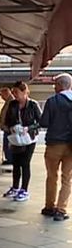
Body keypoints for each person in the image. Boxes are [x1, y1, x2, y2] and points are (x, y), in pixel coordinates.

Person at [39, 73, 72, 221]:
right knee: (67, 178)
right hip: (71, 147)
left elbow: (44, 122)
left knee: (52, 176)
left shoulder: (52, 101)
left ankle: (49, 206)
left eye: (55, 84)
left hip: (54, 145)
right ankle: (61, 210)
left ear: (59, 85)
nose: (54, 87)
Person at [2, 81, 42, 202]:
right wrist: (10, 128)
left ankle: (24, 190)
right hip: (15, 137)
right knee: (15, 163)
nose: (14, 95)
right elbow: (8, 120)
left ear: (25, 92)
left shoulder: (33, 105)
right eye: (13, 92)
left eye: (17, 92)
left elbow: (41, 122)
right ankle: (15, 187)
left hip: (29, 138)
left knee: (25, 163)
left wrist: (28, 128)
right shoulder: (13, 104)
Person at [0, 87, 15, 165]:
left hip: (9, 127)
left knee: (8, 144)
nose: (1, 97)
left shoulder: (11, 101)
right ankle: (9, 159)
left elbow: (11, 115)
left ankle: (10, 160)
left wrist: (7, 125)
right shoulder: (8, 101)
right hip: (7, 127)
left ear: (6, 93)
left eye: (2, 95)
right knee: (7, 144)